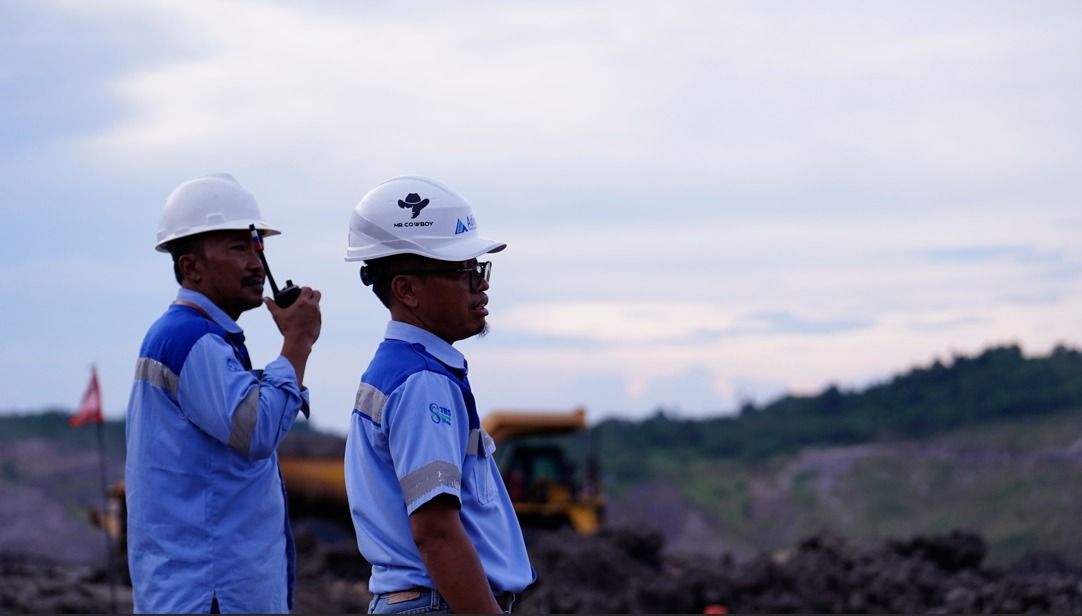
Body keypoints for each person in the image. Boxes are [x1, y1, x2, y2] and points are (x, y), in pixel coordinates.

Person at [125, 173, 322, 613]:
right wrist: (296, 345)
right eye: (237, 248)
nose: (256, 262)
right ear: (190, 267)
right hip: (211, 596)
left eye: (257, 247)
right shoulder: (193, 340)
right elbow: (256, 431)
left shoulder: (195, 337)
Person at [343, 176, 535, 614]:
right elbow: (435, 533)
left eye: (479, 269)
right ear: (406, 290)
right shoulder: (423, 380)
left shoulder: (398, 370)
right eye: (464, 272)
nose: (480, 286)